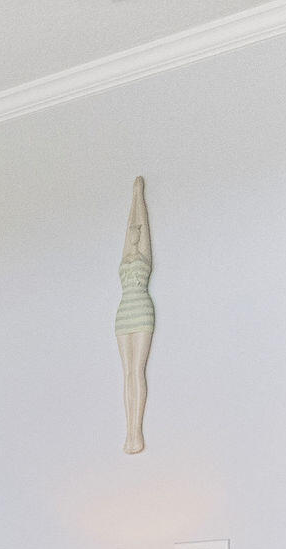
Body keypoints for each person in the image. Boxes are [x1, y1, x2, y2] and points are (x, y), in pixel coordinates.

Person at [116, 176, 155, 454]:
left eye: (137, 232)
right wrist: (132, 195)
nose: (133, 233)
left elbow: (140, 224)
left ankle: (136, 432)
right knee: (126, 372)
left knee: (137, 370)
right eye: (131, 232)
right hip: (123, 312)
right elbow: (131, 224)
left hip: (141, 309)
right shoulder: (124, 258)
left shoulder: (143, 257)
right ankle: (128, 433)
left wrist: (138, 192)